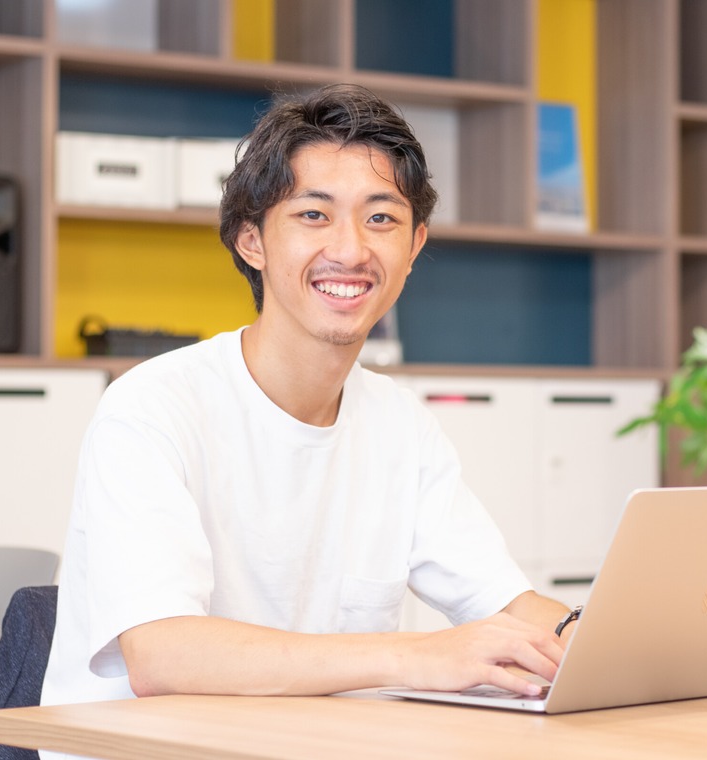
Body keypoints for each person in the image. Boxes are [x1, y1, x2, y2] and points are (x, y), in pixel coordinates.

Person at [39, 84, 577, 725]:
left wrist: (609, 640)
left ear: (415, 247)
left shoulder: (401, 426)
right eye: (314, 215)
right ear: (252, 241)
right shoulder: (153, 409)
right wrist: (416, 656)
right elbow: (162, 655)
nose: (350, 250)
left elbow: (506, 606)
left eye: (381, 218)